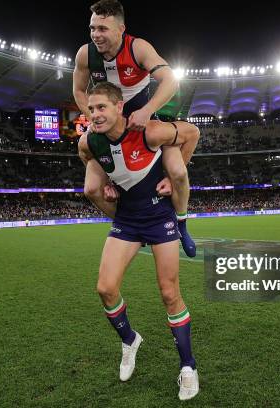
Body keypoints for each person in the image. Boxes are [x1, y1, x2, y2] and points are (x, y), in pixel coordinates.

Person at [77, 82, 200, 400]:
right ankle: (130, 340)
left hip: (160, 219)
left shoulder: (149, 131)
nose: (95, 114)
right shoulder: (89, 142)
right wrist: (106, 183)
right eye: (91, 109)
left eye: (101, 107)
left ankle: (188, 367)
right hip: (127, 221)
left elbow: (192, 133)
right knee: (105, 289)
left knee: (170, 293)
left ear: (119, 107)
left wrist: (172, 176)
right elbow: (87, 159)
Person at [73, 0, 196, 257]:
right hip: (110, 126)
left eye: (103, 29)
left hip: (143, 123)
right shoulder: (85, 54)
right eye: (92, 28)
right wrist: (92, 118)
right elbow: (77, 90)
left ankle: (182, 224)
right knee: (92, 189)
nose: (96, 34)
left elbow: (170, 80)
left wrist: (147, 110)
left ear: (121, 29)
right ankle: (128, 227)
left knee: (177, 172)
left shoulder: (137, 47)